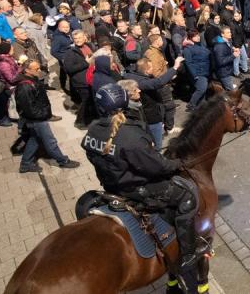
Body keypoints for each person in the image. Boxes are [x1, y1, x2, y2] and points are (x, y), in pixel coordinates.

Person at [81, 84, 209, 294]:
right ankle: (187, 255)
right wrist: (177, 164)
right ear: (124, 102)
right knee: (187, 196)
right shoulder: (131, 135)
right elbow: (157, 166)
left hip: (112, 187)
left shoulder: (93, 129)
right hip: (139, 190)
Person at [15, 59, 80, 173]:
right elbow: (29, 109)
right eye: (36, 69)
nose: (39, 71)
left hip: (36, 118)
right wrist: (44, 115)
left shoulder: (31, 79)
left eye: (39, 68)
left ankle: (25, 164)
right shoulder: (25, 87)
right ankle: (63, 161)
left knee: (35, 139)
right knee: (50, 141)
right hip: (36, 120)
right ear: (27, 70)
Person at [182, 28, 211, 111]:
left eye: (198, 35)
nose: (198, 37)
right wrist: (195, 75)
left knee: (203, 89)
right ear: (190, 37)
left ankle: (202, 105)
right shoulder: (187, 49)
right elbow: (188, 63)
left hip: (204, 71)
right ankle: (191, 104)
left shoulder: (200, 45)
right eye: (195, 36)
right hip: (198, 73)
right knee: (201, 88)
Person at [211, 25, 237, 91]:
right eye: (228, 32)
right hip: (224, 73)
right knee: (231, 93)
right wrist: (233, 56)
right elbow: (220, 61)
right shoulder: (219, 46)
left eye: (230, 32)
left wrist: (233, 49)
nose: (230, 34)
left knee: (226, 89)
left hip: (227, 70)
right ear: (222, 34)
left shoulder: (227, 41)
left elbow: (227, 49)